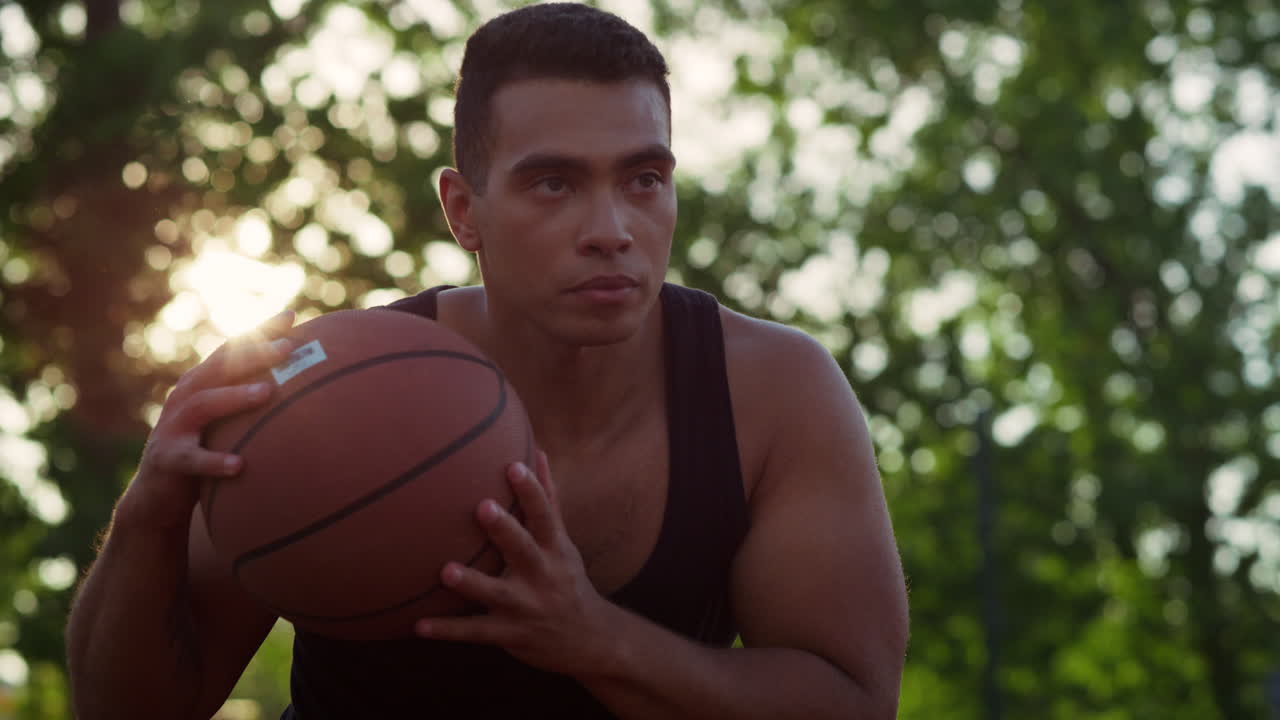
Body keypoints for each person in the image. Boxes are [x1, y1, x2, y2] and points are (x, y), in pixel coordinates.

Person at [65, 4, 908, 718]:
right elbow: (129, 709)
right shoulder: (322, 396)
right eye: (554, 183)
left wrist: (596, 638)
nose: (611, 227)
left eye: (644, 178)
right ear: (464, 211)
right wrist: (152, 512)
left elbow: (854, 698)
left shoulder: (773, 390)